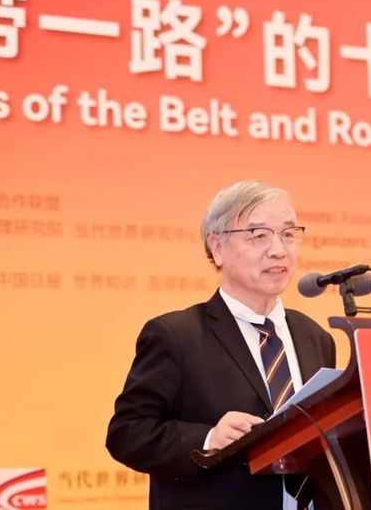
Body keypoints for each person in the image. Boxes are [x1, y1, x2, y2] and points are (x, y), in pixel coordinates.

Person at [107, 181, 336, 510]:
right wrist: (208, 438)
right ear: (217, 247)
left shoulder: (316, 338)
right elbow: (127, 433)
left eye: (288, 234)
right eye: (259, 235)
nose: (279, 249)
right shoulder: (176, 336)